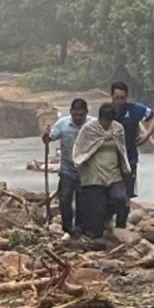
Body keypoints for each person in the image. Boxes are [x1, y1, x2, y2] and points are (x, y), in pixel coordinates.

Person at [72, 103, 132, 238]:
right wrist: (80, 163)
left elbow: (122, 149)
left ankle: (120, 229)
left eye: (109, 120)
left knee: (121, 199)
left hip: (113, 173)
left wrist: (125, 169)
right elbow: (81, 148)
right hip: (94, 175)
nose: (107, 123)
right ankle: (96, 235)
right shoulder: (89, 129)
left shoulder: (118, 128)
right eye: (105, 120)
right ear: (100, 118)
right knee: (97, 209)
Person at [41, 98, 88, 234]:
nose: (78, 118)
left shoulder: (93, 124)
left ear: (86, 113)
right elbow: (48, 139)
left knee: (82, 200)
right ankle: (67, 227)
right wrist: (46, 135)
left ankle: (80, 227)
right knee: (65, 198)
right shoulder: (63, 124)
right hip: (67, 169)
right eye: (75, 115)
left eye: (81, 115)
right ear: (71, 112)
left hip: (86, 170)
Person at [110, 81, 154, 199]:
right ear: (111, 96)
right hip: (110, 159)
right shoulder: (106, 111)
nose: (119, 101)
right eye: (117, 98)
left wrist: (147, 135)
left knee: (128, 192)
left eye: (122, 98)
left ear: (126, 97)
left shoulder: (134, 109)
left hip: (130, 158)